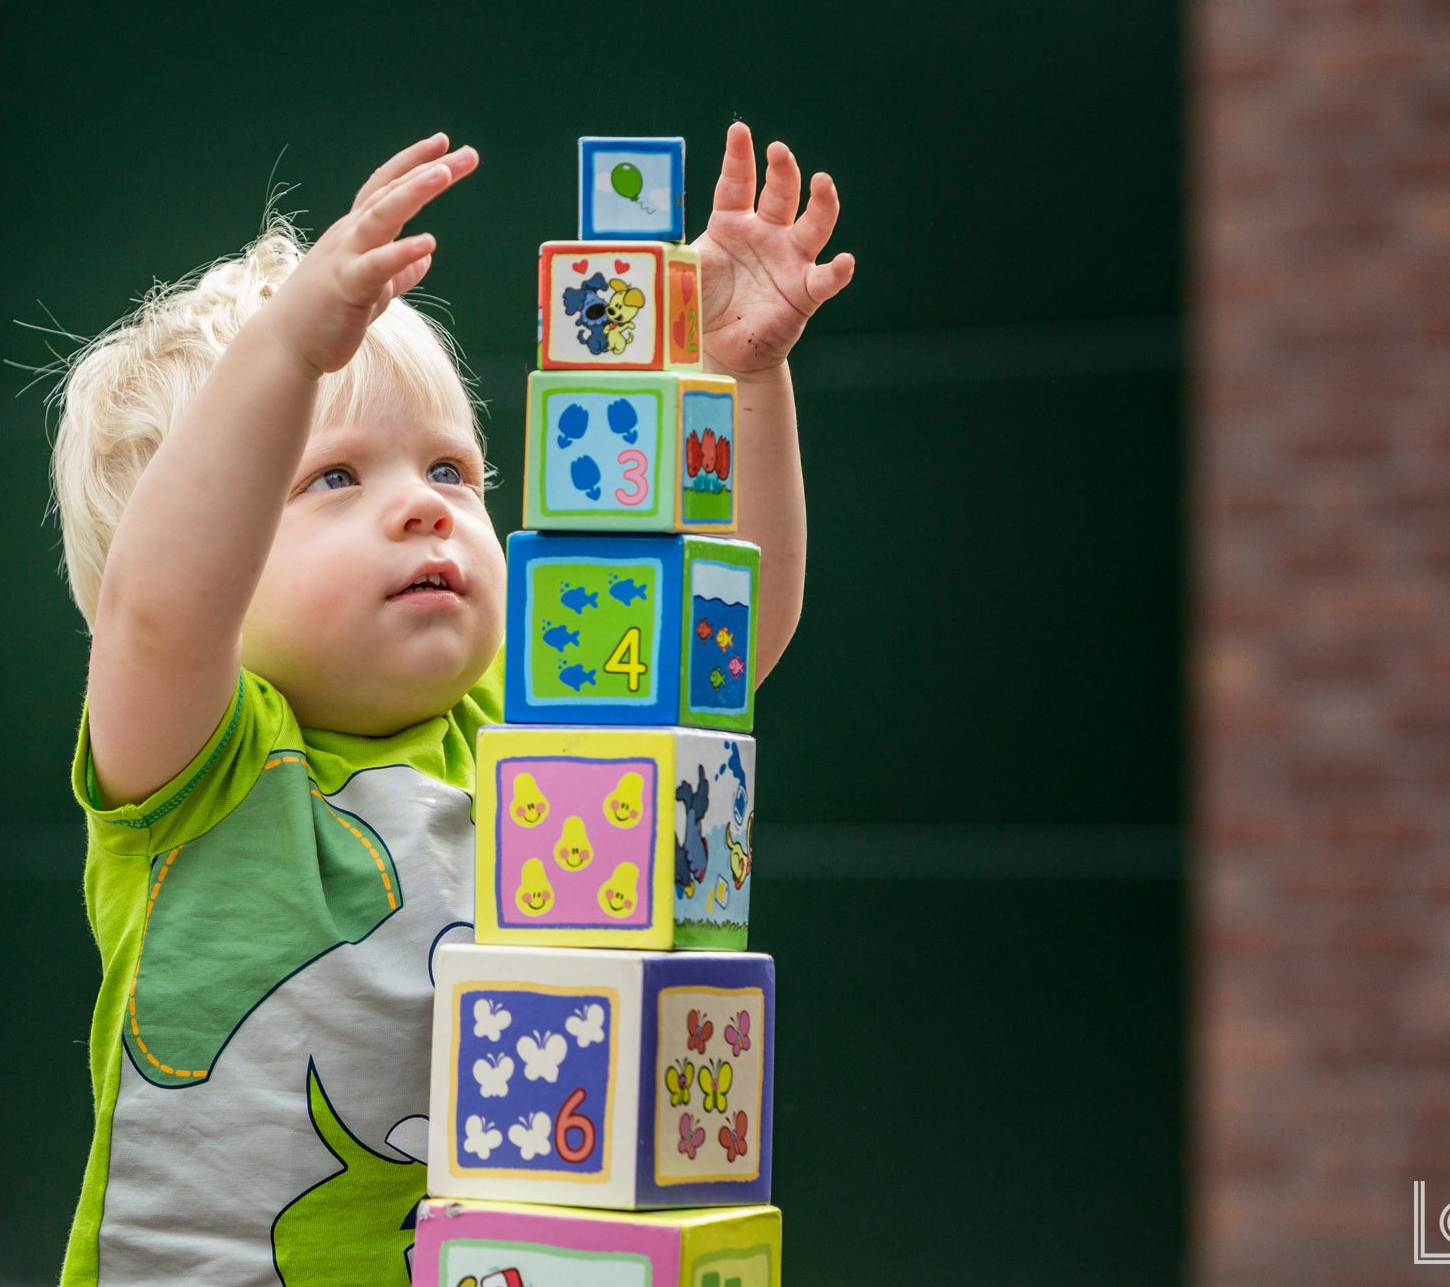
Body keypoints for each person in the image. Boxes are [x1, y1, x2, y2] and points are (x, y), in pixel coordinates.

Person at [46, 124, 854, 1286]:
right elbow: (159, 612)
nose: (424, 508)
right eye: (333, 475)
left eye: (450, 471)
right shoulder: (199, 770)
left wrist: (735, 382)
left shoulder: (513, 734)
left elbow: (719, 637)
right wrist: (285, 354)